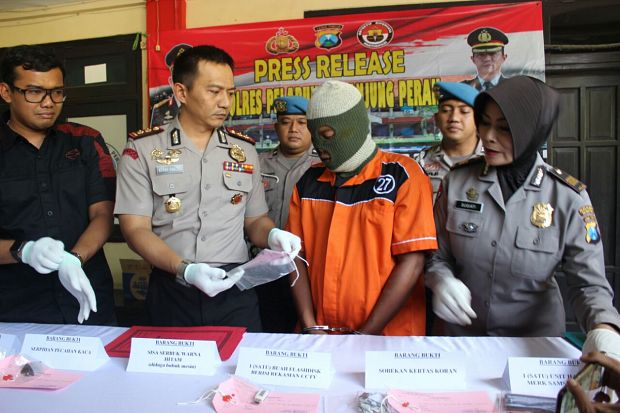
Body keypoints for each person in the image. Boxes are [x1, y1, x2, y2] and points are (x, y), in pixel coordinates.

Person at [425, 76, 620, 356]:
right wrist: (440, 279)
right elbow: (436, 254)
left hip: (532, 347)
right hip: (462, 341)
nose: (488, 136)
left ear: (533, 131)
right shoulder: (457, 182)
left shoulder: (567, 197)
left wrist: (604, 328)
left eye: (504, 128)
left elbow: (588, 284)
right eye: (485, 122)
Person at [115, 45, 300, 331]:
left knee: (238, 370)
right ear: (181, 92)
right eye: (214, 92)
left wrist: (273, 235)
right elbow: (134, 229)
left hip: (235, 290)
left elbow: (254, 221)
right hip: (173, 287)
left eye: (230, 92)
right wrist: (185, 269)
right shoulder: (144, 148)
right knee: (169, 373)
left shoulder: (244, 150)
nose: (225, 102)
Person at [287, 80, 437, 336]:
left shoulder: (402, 176)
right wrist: (310, 325)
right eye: (315, 136)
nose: (320, 147)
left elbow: (412, 262)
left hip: (388, 339)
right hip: (322, 337)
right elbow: (293, 258)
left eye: (327, 135)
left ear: (352, 128)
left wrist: (365, 336)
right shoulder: (309, 182)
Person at [0, 44, 116, 325]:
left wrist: (74, 258)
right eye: (34, 92)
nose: (48, 102)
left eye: (57, 92)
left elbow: (103, 214)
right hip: (17, 302)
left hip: (87, 290)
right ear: (6, 92)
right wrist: (24, 250)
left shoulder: (85, 140)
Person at [255, 95, 319, 333]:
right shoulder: (258, 165)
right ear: (276, 127)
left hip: (307, 271)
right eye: (286, 122)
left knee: (306, 334)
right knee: (265, 334)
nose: (294, 129)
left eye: (302, 122)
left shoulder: (322, 166)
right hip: (263, 270)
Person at [415, 82, 483, 201]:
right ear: (436, 118)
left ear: (478, 119)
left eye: (464, 111)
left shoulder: (493, 159)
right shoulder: (420, 163)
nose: (454, 118)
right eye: (446, 110)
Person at [462, 27, 509, 91]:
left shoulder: (514, 88)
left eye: (492, 53)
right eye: (481, 54)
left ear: (504, 57)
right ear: (473, 59)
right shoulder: (462, 89)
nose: (487, 59)